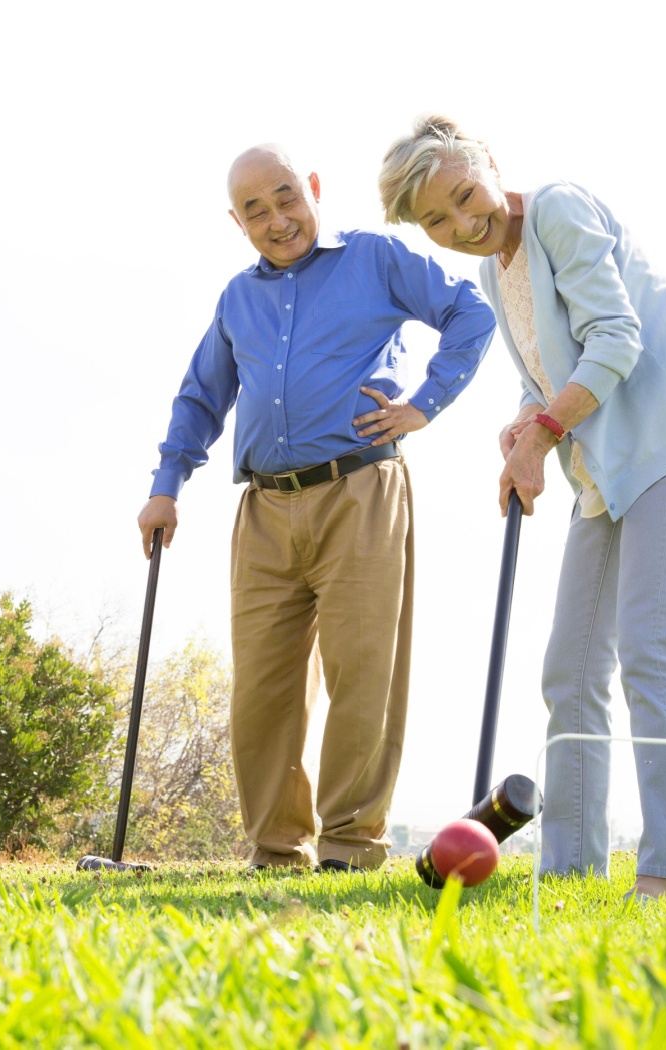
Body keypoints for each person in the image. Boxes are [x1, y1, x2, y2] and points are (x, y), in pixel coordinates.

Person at [378, 116, 666, 898]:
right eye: (437, 220)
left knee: (649, 647)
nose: (465, 224)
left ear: (491, 164)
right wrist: (522, 424)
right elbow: (549, 369)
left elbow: (614, 338)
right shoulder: (490, 275)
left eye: (468, 197)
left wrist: (540, 435)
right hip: (603, 471)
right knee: (569, 669)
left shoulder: (560, 209)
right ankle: (570, 871)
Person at [137, 145, 497, 872]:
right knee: (262, 692)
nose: (278, 219)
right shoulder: (238, 299)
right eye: (256, 210)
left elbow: (470, 312)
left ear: (315, 189)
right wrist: (165, 486)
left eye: (287, 197)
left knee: (363, 676)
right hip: (265, 510)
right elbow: (202, 395)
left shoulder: (374, 259)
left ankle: (349, 847)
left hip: (359, 490)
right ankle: (276, 849)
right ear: (236, 223)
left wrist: (423, 404)